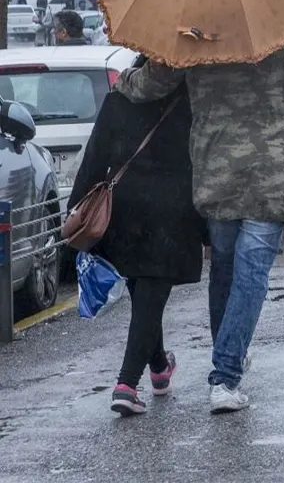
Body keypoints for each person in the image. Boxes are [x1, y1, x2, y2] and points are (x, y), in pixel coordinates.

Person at [116, 35, 284, 414]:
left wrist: (123, 81)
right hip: (277, 167)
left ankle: (227, 354)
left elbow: (157, 81)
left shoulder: (200, 23)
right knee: (251, 272)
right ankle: (225, 375)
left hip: (218, 166)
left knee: (226, 267)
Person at [69, 63, 205, 416]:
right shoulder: (192, 100)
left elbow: (94, 156)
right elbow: (205, 161)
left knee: (145, 296)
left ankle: (159, 368)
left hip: (123, 210)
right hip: (172, 212)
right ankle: (127, 385)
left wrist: (76, 209)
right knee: (150, 297)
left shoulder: (119, 98)